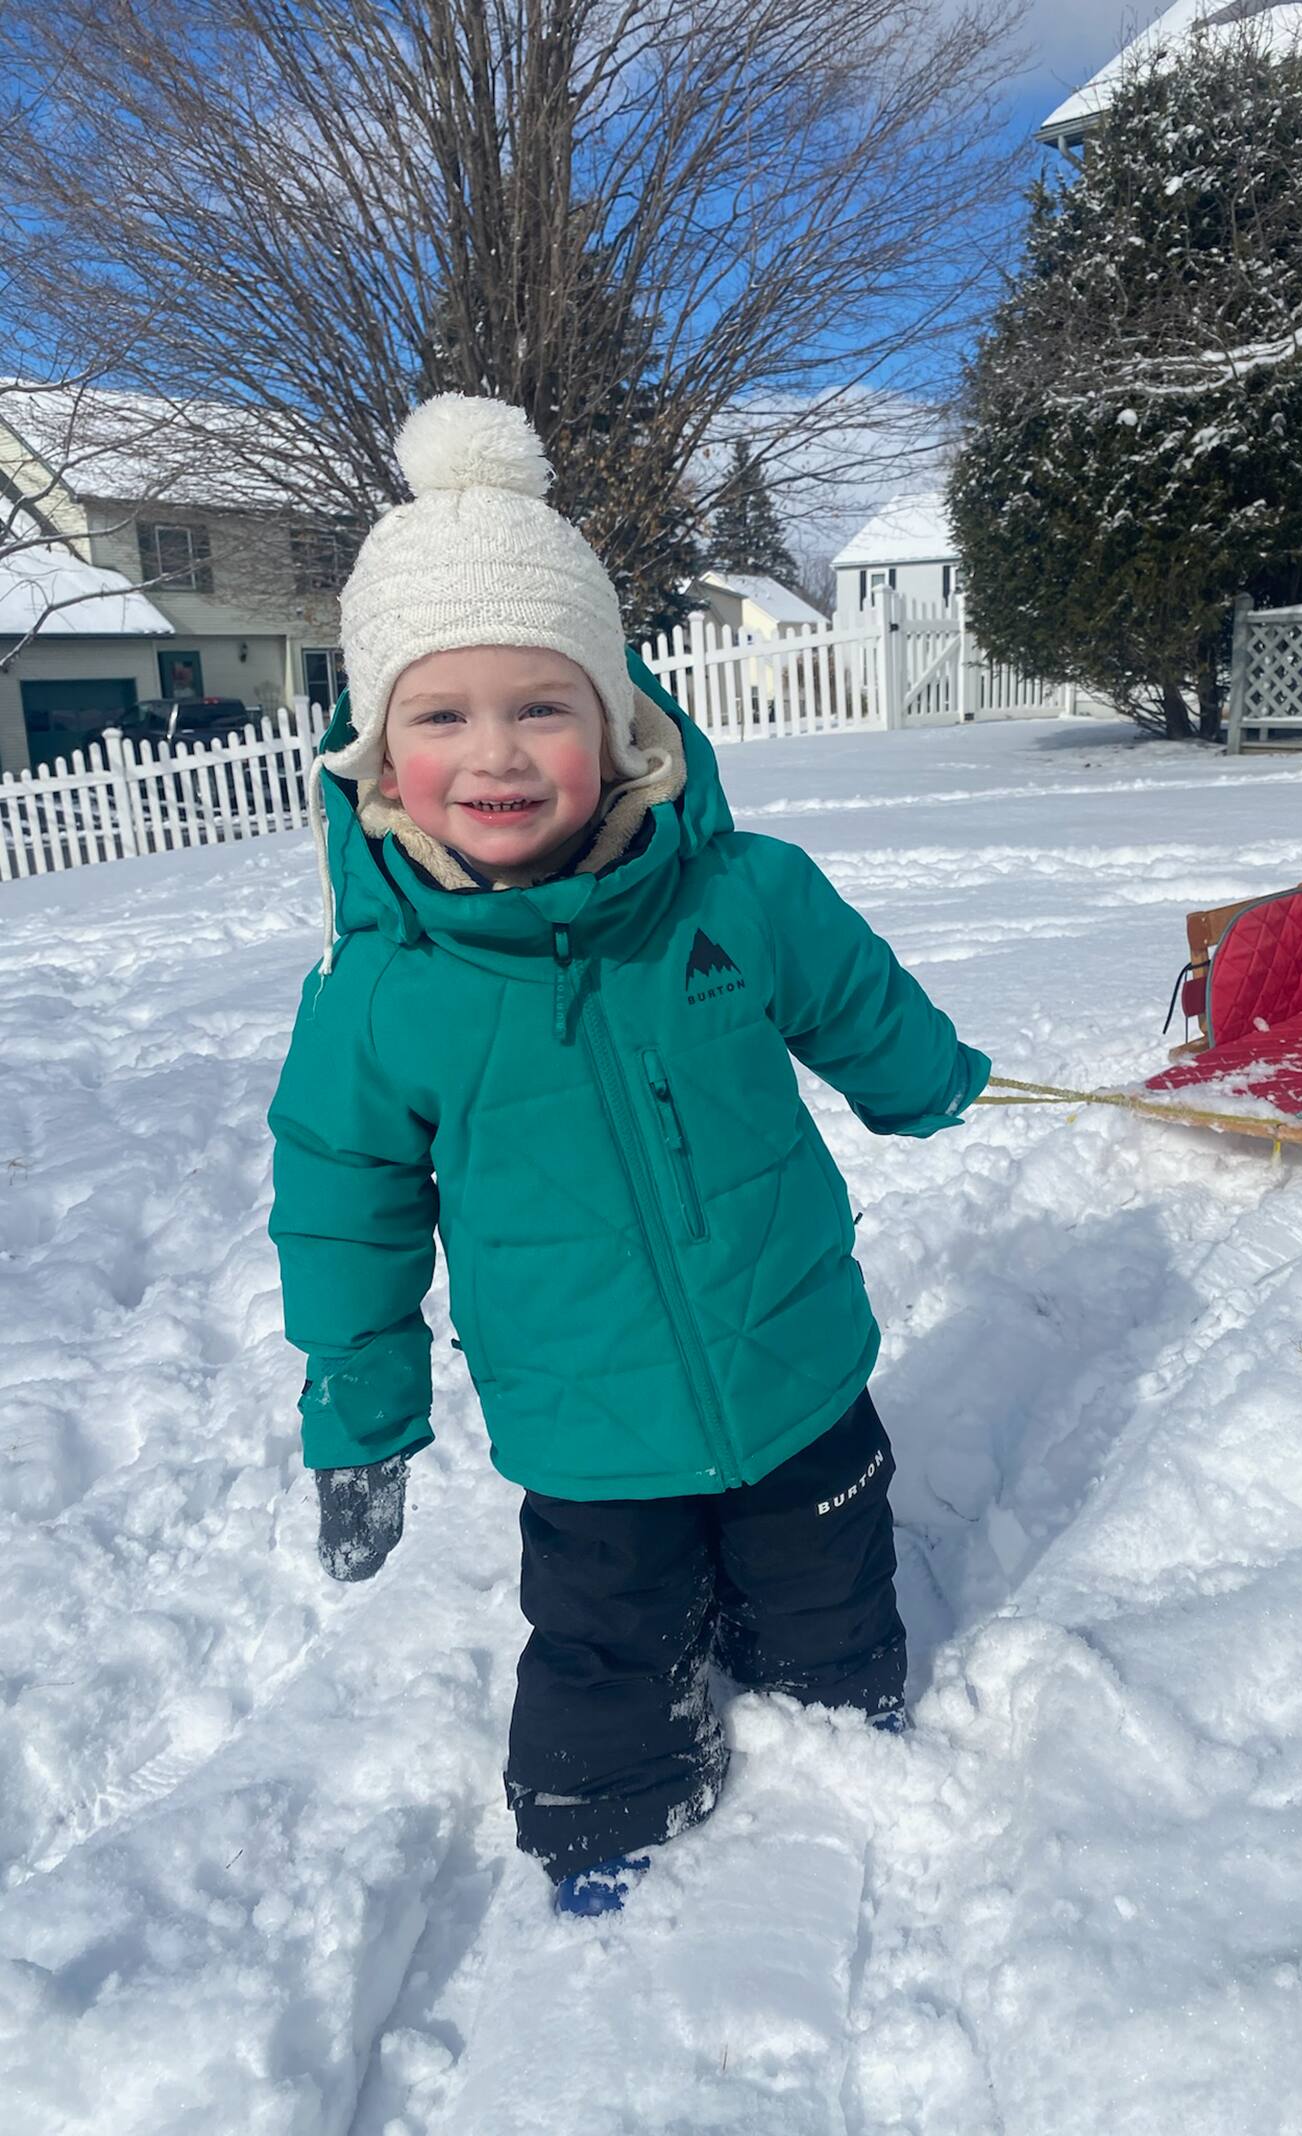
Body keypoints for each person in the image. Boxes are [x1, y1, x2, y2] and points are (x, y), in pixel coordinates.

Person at [267, 393, 991, 1917]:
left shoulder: (743, 895)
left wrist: (927, 1083)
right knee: (602, 1637)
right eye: (440, 717)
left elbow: (854, 1003)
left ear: (618, 723)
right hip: (582, 1416)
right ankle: (603, 1822)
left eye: (542, 706)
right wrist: (359, 1415)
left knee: (828, 1589)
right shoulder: (380, 992)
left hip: (793, 1360)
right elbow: (344, 1212)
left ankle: (826, 1709)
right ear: (378, 757)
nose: (496, 754)